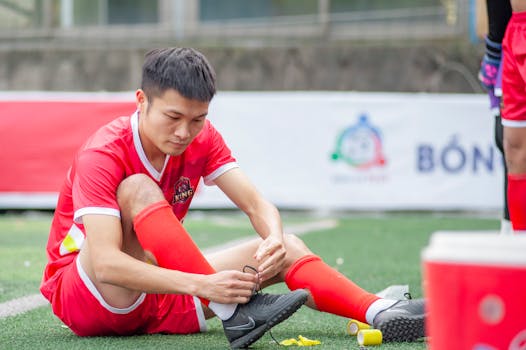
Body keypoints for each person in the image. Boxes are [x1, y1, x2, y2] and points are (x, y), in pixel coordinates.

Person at [40, 47, 425, 348]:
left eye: (197, 119)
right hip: (90, 296)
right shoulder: (102, 153)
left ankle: (378, 311)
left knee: (287, 246)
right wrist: (204, 287)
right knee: (137, 187)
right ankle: (232, 312)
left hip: (160, 294)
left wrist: (272, 237)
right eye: (172, 117)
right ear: (141, 101)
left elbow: (257, 205)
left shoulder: (202, 138)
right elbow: (106, 264)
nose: (183, 132)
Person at [478, 0, 512, 234]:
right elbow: (483, 26)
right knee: (508, 143)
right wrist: (493, 53)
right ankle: (510, 228)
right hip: (510, 51)